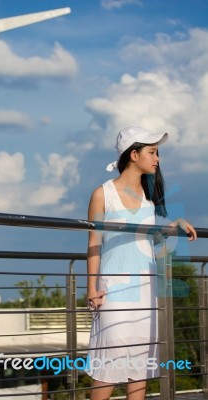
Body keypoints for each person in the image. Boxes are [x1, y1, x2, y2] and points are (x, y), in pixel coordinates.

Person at [85, 126, 197, 400]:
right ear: (134, 155)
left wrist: (174, 225)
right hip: (113, 291)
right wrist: (91, 288)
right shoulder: (103, 194)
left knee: (140, 369)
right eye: (152, 152)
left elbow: (147, 241)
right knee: (107, 368)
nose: (157, 159)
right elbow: (94, 244)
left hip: (145, 291)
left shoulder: (148, 197)